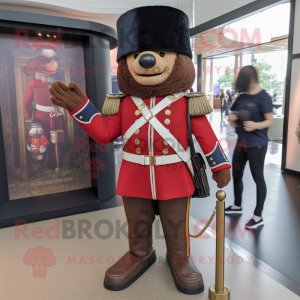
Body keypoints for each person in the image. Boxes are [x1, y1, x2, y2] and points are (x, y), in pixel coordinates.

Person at [225, 65, 273, 229]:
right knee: (236, 174)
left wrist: (256, 124)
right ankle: (237, 205)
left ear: (251, 79)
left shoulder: (264, 97)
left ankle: (258, 216)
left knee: (258, 178)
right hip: (241, 143)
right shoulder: (242, 97)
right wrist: (233, 119)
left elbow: (269, 121)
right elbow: (232, 113)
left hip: (257, 145)